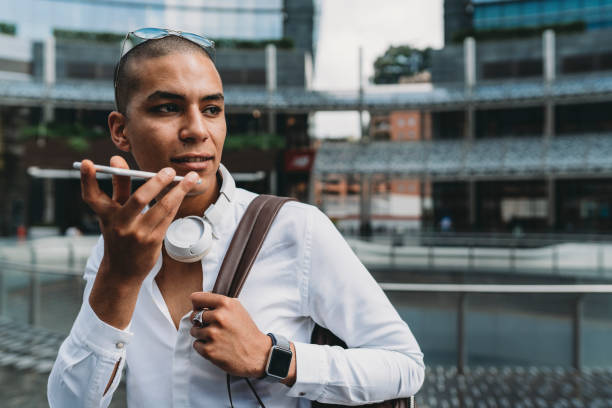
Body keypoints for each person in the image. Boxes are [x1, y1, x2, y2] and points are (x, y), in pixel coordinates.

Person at [48, 28, 424, 408]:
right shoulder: (114, 250)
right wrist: (119, 278)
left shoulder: (296, 228)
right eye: (168, 108)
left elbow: (405, 365)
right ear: (120, 130)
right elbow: (69, 402)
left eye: (212, 109)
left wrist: (271, 357)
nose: (197, 130)